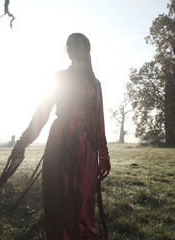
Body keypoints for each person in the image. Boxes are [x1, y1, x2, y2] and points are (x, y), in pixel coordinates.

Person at [11, 33, 110, 240]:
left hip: (86, 144)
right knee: (60, 194)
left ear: (87, 48)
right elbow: (42, 112)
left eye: (77, 43)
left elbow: (99, 120)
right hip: (60, 140)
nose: (72, 46)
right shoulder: (58, 77)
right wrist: (23, 142)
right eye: (69, 44)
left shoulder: (95, 83)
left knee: (84, 196)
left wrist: (103, 153)